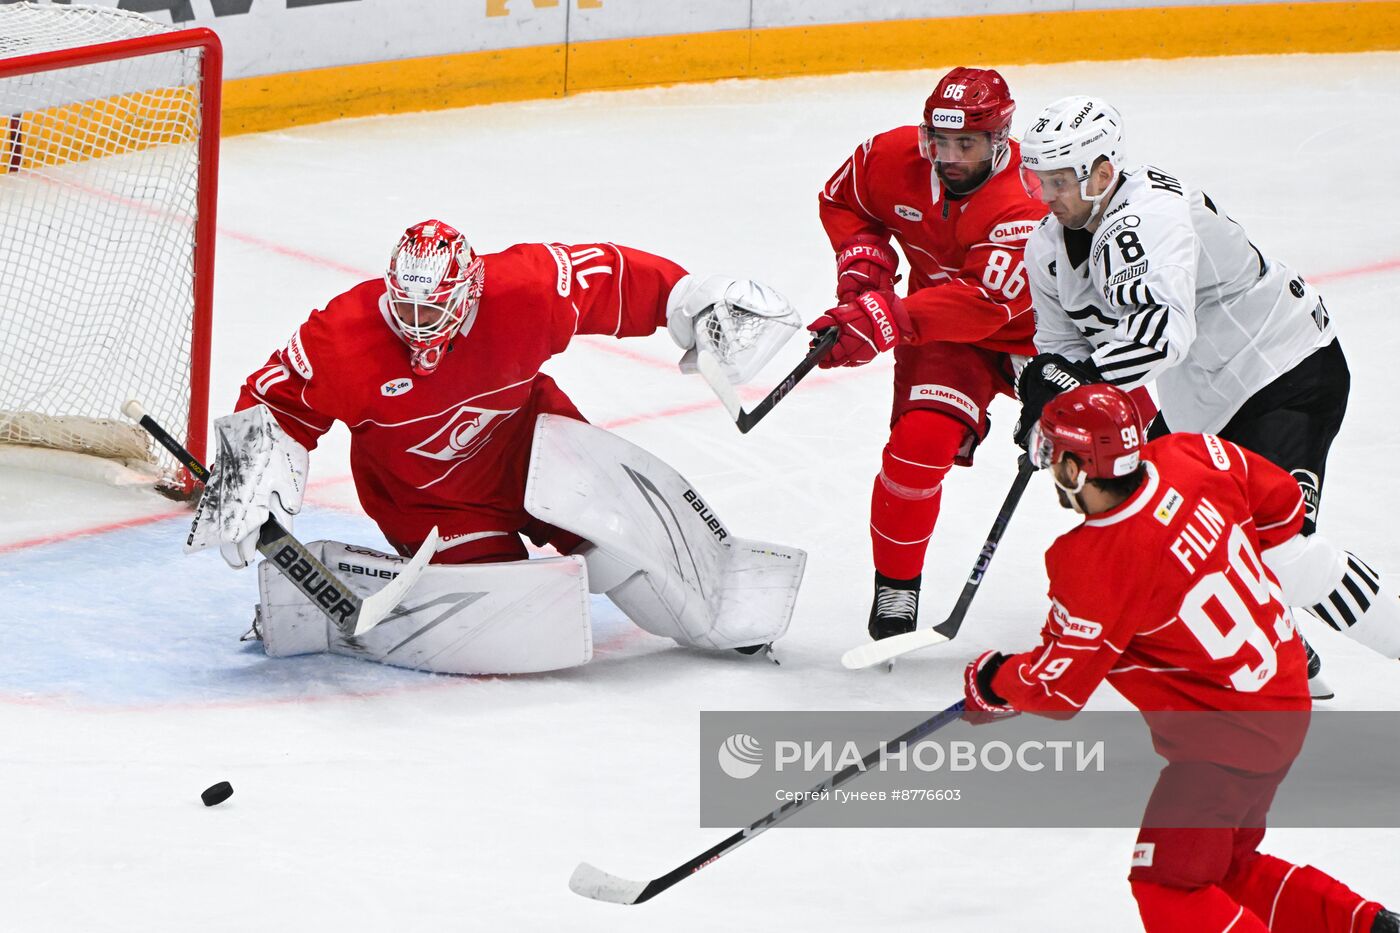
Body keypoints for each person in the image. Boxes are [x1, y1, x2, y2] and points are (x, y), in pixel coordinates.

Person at [185, 220, 808, 674]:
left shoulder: (525, 291)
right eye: (406, 306)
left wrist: (691, 299)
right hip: (431, 501)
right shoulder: (342, 337)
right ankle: (335, 594)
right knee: (514, 613)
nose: (418, 324)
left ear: (470, 292)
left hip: (536, 444)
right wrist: (248, 479)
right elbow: (276, 401)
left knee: (629, 563)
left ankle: (715, 606)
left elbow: (612, 276)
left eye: (436, 309)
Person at [962, 383, 1397, 932]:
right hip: (1284, 691)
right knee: (1223, 868)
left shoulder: (1093, 561)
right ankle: (1370, 927)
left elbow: (1057, 689)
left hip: (1224, 744)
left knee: (1169, 887)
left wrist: (995, 679)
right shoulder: (1190, 453)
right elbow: (1283, 499)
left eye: (1055, 454)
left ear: (1076, 467)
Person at [1013, 96, 1400, 687]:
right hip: (1203, 401)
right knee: (1164, 527)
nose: (1047, 196)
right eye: (1038, 180)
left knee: (1283, 552)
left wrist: (1075, 384)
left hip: (1286, 372)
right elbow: (1058, 343)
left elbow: (1160, 335)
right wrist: (1045, 404)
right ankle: (1291, 656)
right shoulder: (1048, 245)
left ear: (1102, 172)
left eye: (1060, 180)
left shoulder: (1148, 219)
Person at [808, 67, 1049, 642]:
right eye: (939, 142)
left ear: (1000, 139)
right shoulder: (887, 158)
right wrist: (865, 266)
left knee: (1126, 452)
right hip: (942, 335)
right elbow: (844, 201)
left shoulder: (1027, 196)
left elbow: (987, 302)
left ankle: (1165, 581)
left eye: (965, 143)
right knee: (916, 446)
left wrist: (883, 318)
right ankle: (897, 587)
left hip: (1051, 340)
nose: (949, 157)